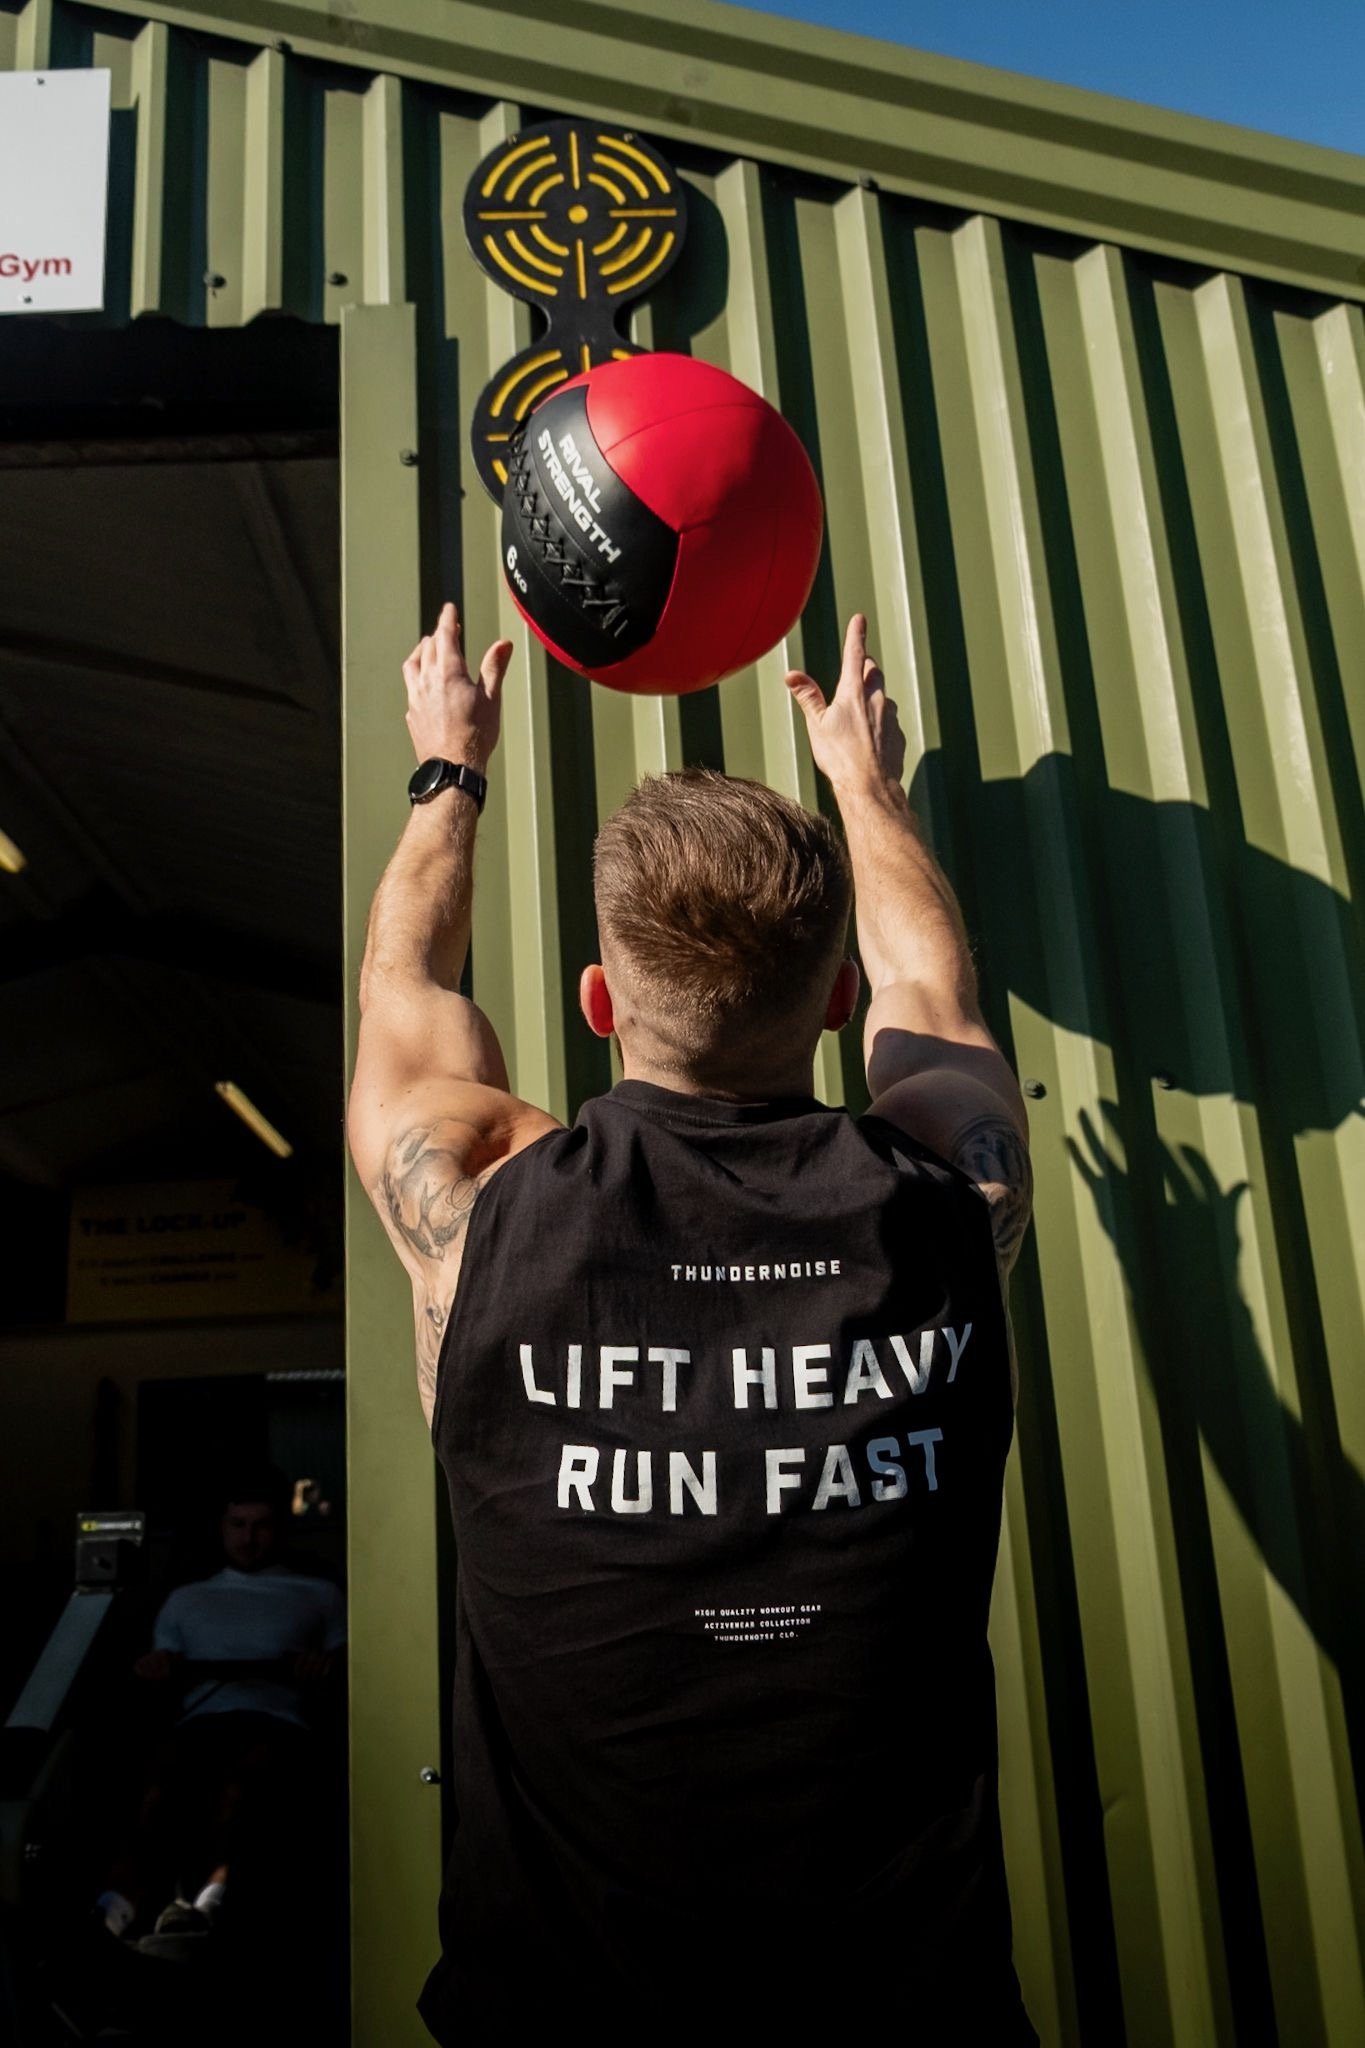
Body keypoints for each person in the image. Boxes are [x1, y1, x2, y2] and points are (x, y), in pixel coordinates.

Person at [348, 604, 1036, 2042]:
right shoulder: (946, 1202)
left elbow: (407, 994)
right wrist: (863, 783)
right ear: (836, 1002)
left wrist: (449, 766)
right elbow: (931, 992)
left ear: (598, 1002)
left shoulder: (478, 1213)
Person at [97, 1471, 346, 1941]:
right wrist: (154, 1670)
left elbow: (349, 1669)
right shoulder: (186, 1599)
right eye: (238, 1525)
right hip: (201, 1724)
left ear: (280, 1529)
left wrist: (323, 1669)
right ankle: (113, 1911)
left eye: (261, 1525)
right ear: (222, 1528)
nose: (248, 1538)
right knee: (158, 1790)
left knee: (241, 1788)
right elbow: (158, 1671)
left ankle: (208, 1907)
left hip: (278, 1726)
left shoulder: (319, 1594)